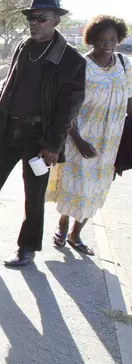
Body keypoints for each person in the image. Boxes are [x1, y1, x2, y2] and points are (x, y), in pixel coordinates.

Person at [0, 0, 86, 267]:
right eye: (32, 18)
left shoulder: (71, 60)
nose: (34, 23)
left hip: (40, 139)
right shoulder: (24, 47)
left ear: (56, 21)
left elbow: (67, 110)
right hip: (9, 131)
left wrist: (52, 145)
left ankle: (27, 247)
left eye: (41, 18)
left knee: (34, 195)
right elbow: (9, 85)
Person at [46, 15, 131, 256]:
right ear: (92, 39)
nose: (108, 44)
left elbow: (130, 100)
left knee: (97, 188)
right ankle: (63, 225)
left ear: (118, 39)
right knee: (77, 186)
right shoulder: (80, 66)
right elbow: (68, 107)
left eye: (113, 39)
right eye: (102, 39)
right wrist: (78, 139)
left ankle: (76, 234)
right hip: (80, 137)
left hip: (111, 140)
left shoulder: (125, 64)